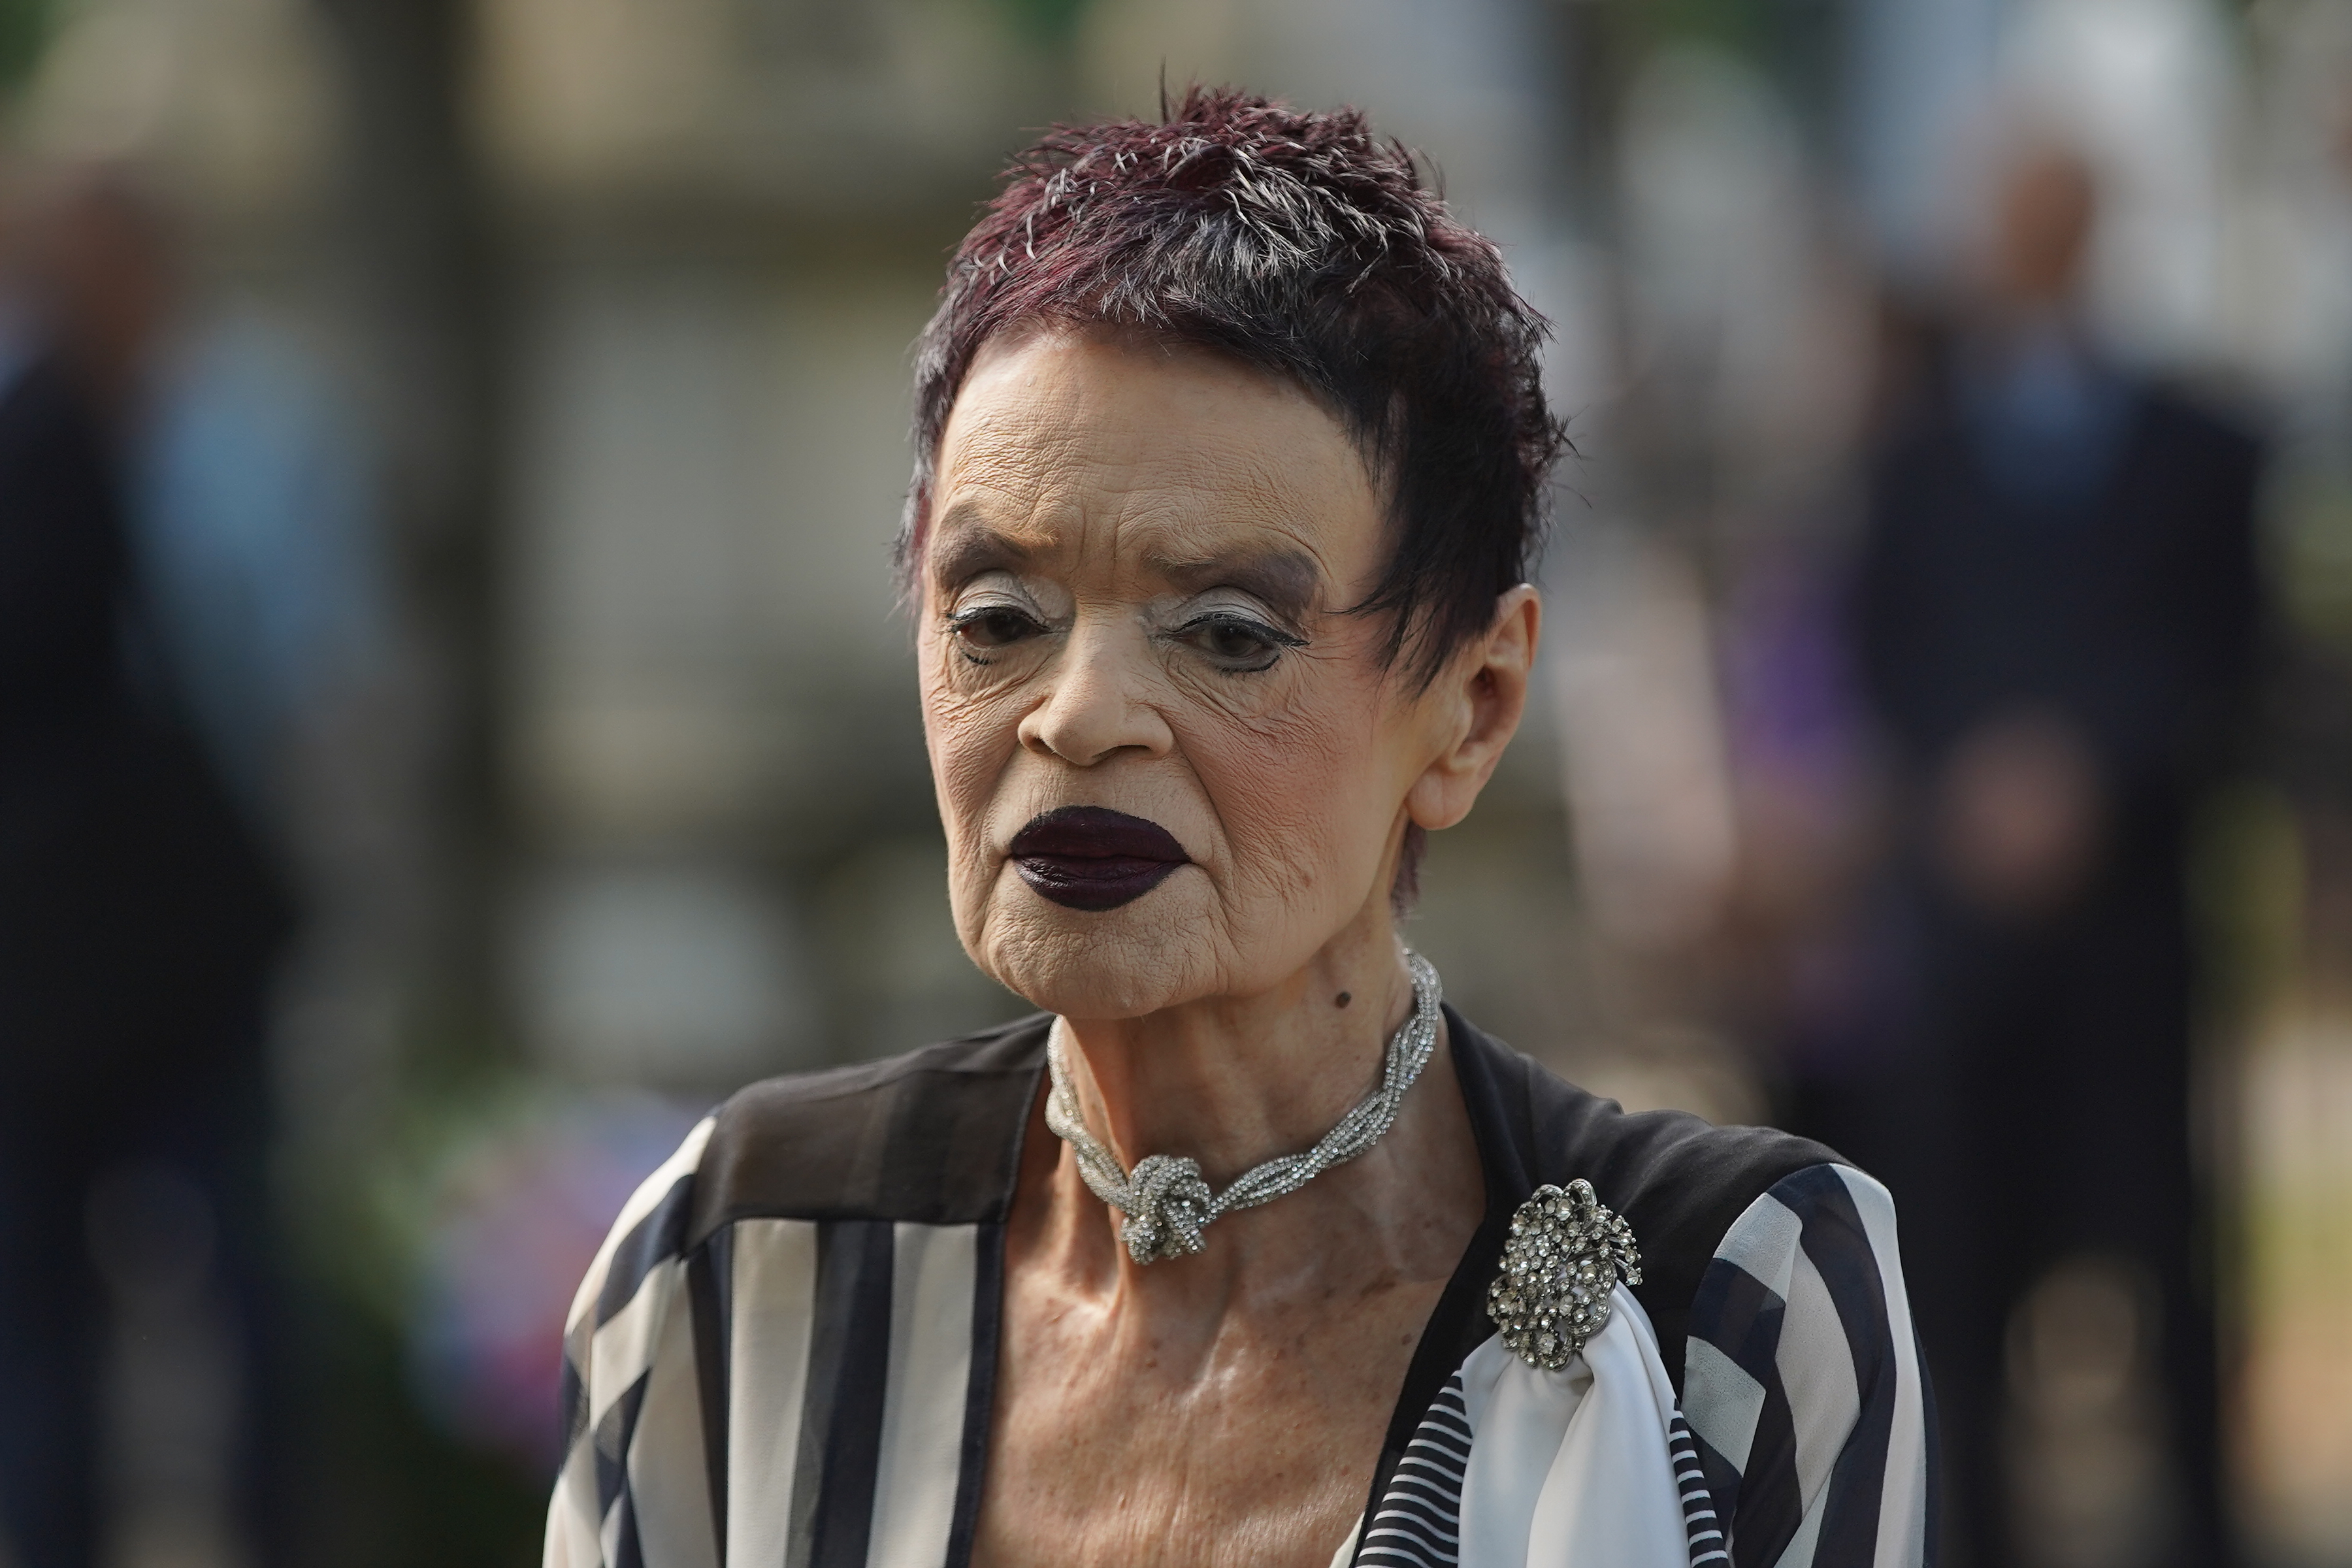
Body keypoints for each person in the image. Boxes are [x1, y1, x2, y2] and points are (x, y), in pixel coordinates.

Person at [547, 91, 1932, 1568]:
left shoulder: (1737, 1296)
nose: (1077, 717)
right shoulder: (735, 1270)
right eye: (997, 617)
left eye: (1224, 633)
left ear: (1472, 705)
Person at [1842, 142, 2261, 1565]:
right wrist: (1974, 789)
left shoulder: (2202, 445)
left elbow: (2233, 657)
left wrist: (2092, 772)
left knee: (2171, 1270)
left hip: (2136, 939)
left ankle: (2205, 1529)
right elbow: (1884, 652)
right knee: (1964, 1279)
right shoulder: (1910, 458)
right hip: (1969, 947)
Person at [0, 171, 297, 1568]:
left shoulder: (217, 435)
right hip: (115, 944)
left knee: (171, 1288)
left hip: (141, 946)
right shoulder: (88, 431)